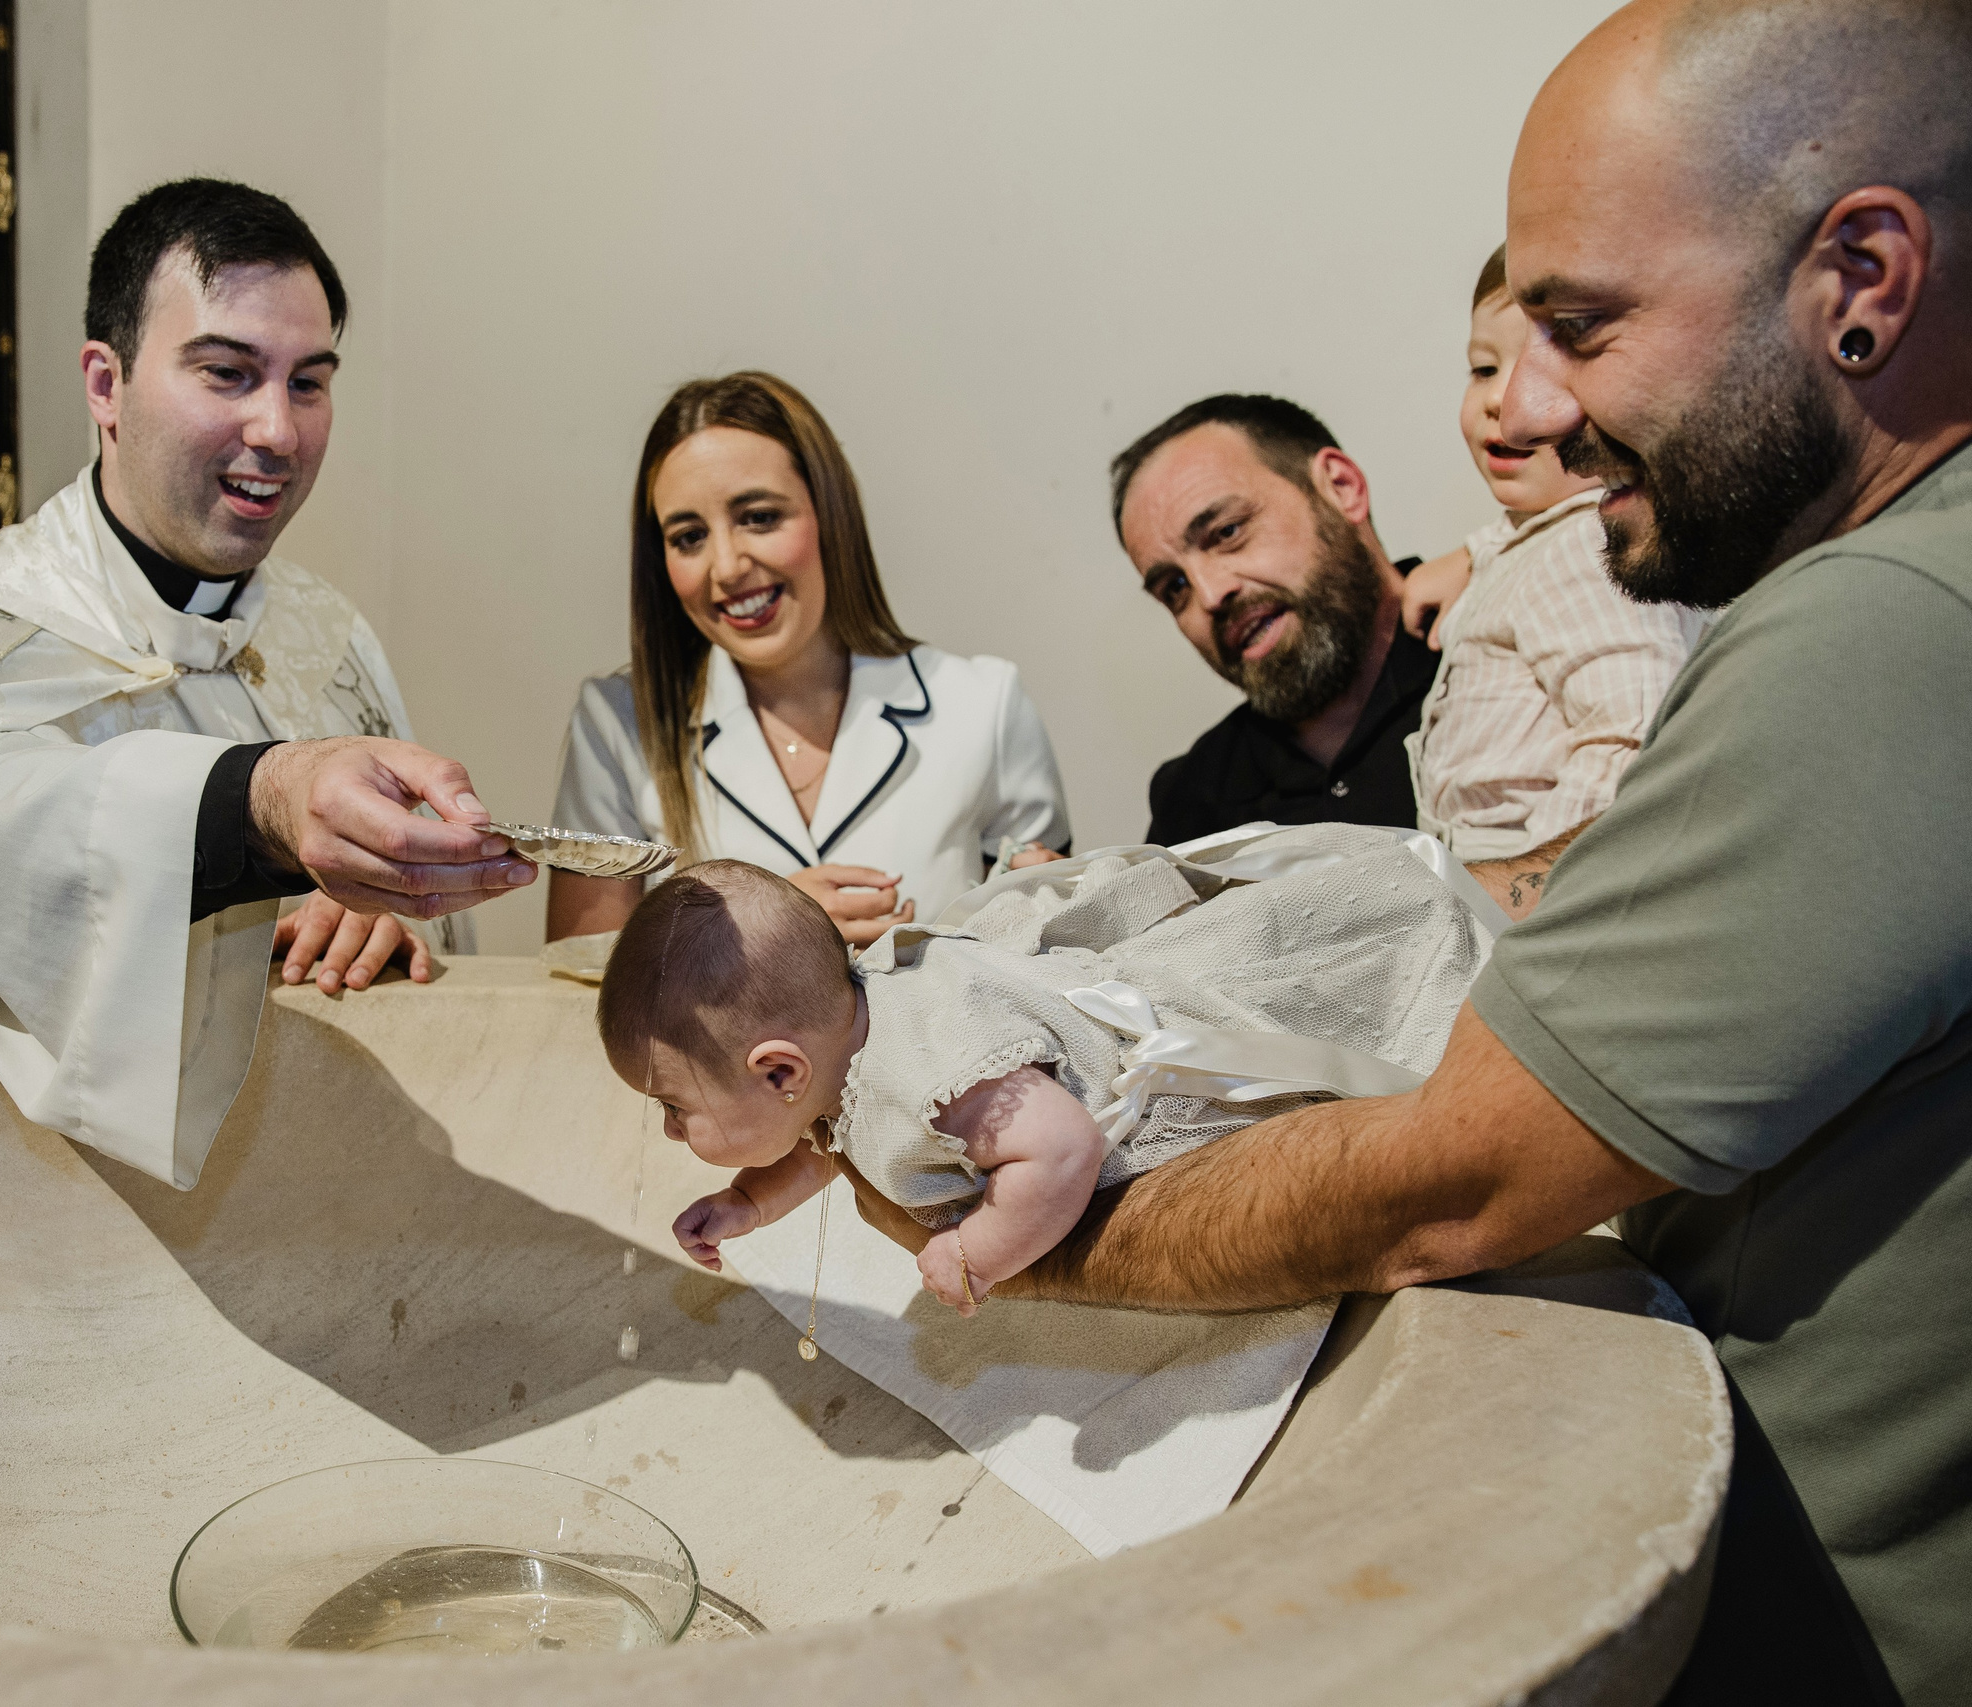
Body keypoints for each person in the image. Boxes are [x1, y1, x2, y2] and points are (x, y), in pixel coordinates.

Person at [844, 3, 1972, 1697]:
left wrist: (1026, 1224)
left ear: (1863, 279)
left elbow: (1456, 1177)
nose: (1550, 415)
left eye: (1585, 329)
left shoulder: (1873, 636)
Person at [0, 179, 532, 1192]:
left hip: (314, 1198)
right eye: (227, 372)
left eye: (308, 382)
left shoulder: (327, 637)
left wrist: (386, 915)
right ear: (105, 384)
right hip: (26, 1216)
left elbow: (426, 954)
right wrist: (260, 803)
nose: (279, 432)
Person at [606, 830, 1489, 1314]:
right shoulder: (839, 1049)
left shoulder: (933, 1070)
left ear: (778, 1070)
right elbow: (827, 1138)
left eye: (673, 1105)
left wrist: (978, 1250)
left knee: (1321, 988)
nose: (670, 1128)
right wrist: (751, 1201)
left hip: (1160, 1079)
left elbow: (1061, 1150)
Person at [551, 372, 1069, 951]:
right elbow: (575, 978)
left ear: (830, 514)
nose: (726, 568)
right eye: (689, 536)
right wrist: (752, 929)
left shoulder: (984, 704)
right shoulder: (616, 724)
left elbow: (1065, 974)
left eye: (759, 517)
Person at [1400, 246, 1707, 859]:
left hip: (1538, 892)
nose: (1503, 401)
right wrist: (1470, 555)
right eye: (1485, 369)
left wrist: (1544, 899)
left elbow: (1635, 737)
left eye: (1554, 367)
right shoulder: (1544, 540)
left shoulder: (1591, 551)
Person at [1114, 395, 1432, 845]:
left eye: (1227, 532)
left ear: (1341, 488)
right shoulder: (1193, 803)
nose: (1209, 595)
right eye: (1175, 588)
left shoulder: (1510, 650)